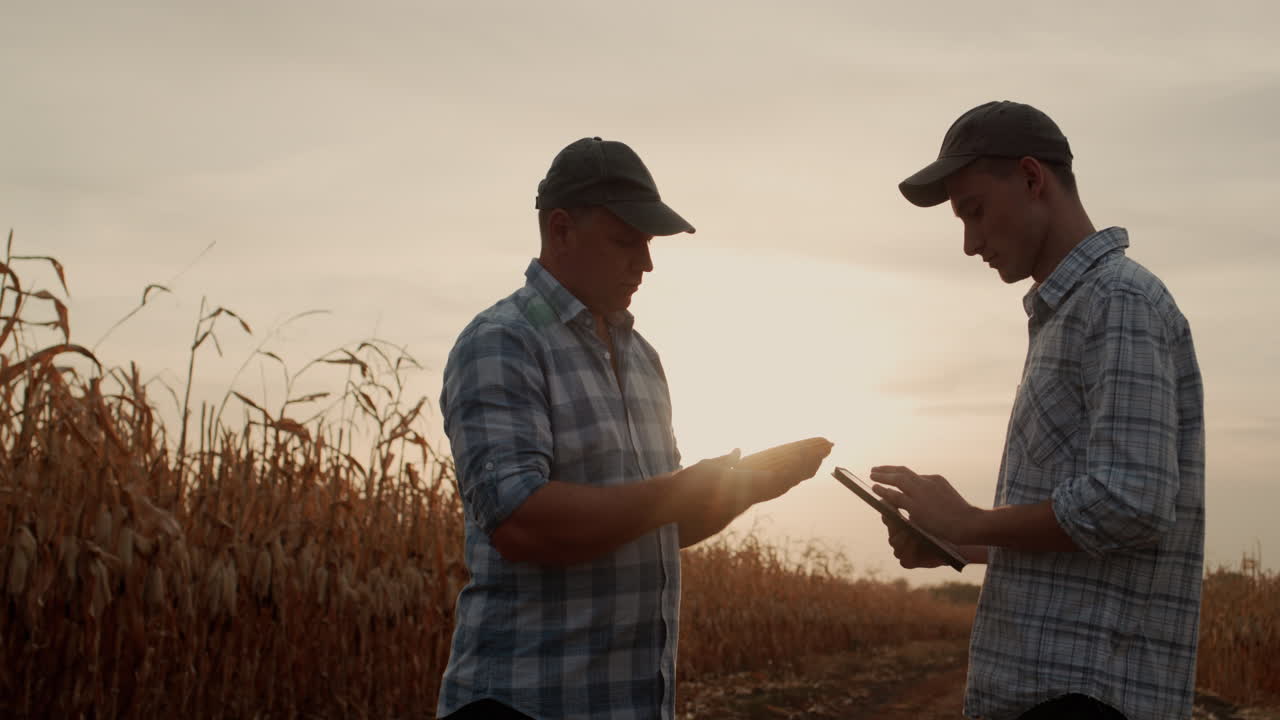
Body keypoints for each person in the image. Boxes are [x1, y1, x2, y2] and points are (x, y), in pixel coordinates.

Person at [436, 136, 832, 720]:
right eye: (626, 241)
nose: (645, 263)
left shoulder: (643, 359)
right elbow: (520, 525)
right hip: (529, 702)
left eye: (647, 243)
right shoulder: (503, 341)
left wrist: (741, 489)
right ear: (561, 230)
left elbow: (657, 524)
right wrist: (679, 489)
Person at [871, 101, 1205, 720]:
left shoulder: (1118, 301)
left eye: (974, 211)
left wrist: (973, 522)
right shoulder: (1073, 313)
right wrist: (959, 542)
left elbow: (1132, 502)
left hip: (1084, 698)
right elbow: (1092, 535)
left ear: (1031, 179)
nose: (970, 242)